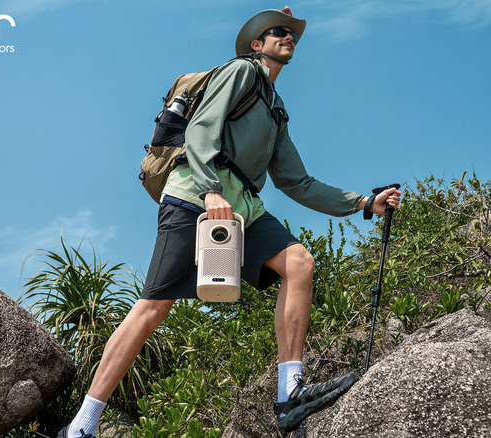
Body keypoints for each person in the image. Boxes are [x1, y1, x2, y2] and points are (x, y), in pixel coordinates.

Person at [58, 7, 401, 437]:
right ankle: (81, 426)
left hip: (244, 206)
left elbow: (296, 181)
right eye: (279, 32)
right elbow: (202, 128)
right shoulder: (240, 72)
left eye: (292, 34)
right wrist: (209, 190)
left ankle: (290, 391)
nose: (288, 37)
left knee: (299, 264)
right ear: (257, 44)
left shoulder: (277, 108)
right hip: (194, 195)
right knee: (153, 308)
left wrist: (364, 203)